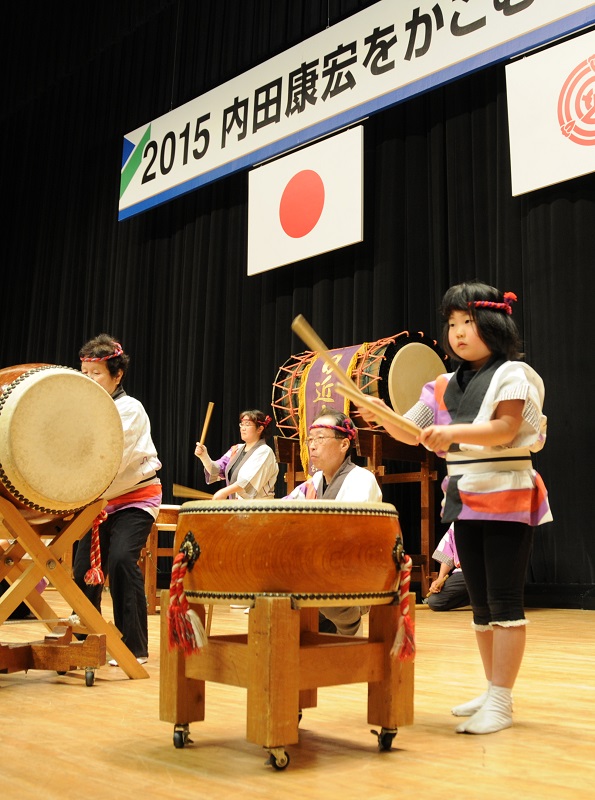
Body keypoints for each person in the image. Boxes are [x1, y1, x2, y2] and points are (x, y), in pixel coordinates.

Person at [356, 281, 552, 735]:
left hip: (507, 490)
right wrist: (380, 413)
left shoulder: (514, 376)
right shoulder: (442, 385)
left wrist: (453, 435)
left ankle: (502, 701)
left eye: (468, 322)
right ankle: (492, 689)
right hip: (464, 496)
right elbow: (411, 431)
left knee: (504, 600)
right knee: (481, 604)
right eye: (452, 323)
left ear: (493, 324)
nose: (458, 332)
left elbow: (505, 429)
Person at [73, 334, 162, 665]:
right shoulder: (83, 410)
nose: (89, 380)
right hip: (98, 501)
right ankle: (86, 638)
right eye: (84, 373)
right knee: (84, 569)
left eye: (96, 373)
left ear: (117, 374)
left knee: (123, 560)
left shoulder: (129, 408)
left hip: (135, 497)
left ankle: (132, 645)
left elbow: (110, 458)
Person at [285, 407, 382, 636]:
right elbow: (285, 508)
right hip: (321, 565)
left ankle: (350, 626)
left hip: (354, 569)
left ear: (344, 444)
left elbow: (348, 533)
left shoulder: (361, 479)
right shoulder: (314, 482)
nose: (313, 445)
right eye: (310, 439)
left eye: (321, 438)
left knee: (312, 579)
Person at [194, 409, 278, 500]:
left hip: (258, 509)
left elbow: (247, 481)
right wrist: (204, 456)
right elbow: (216, 470)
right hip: (238, 507)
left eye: (247, 424)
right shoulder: (236, 449)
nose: (243, 428)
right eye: (242, 424)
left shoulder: (264, 451)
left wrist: (224, 492)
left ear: (260, 429)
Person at [425, 524, 470, 611]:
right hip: (463, 573)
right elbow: (447, 554)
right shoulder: (456, 523)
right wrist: (440, 578)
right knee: (435, 601)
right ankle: (480, 598)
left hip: (487, 571)